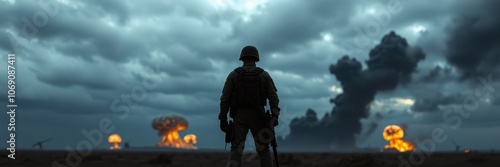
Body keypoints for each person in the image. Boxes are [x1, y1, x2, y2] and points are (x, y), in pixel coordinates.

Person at [219, 45, 280, 167]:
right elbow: (274, 98)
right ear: (256, 58)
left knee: (236, 148)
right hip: (259, 116)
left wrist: (223, 117)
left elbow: (225, 98)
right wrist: (275, 115)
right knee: (263, 149)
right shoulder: (264, 75)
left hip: (239, 116)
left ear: (242, 58)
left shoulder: (234, 75)